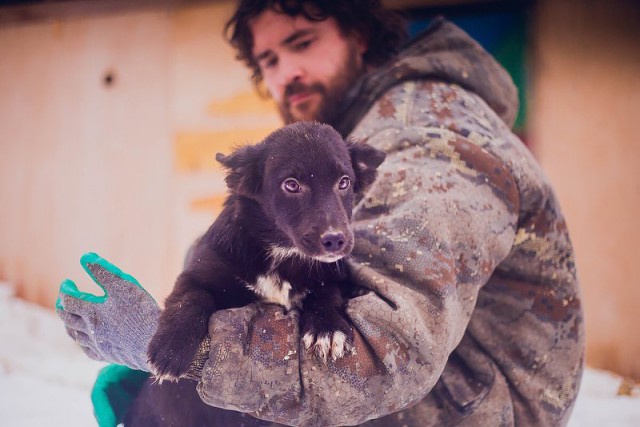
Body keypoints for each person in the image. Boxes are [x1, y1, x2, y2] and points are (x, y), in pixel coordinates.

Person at [56, 1, 585, 425]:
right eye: (269, 61)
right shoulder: (357, 131)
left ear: (358, 34)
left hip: (464, 407)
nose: (288, 74)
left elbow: (388, 351)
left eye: (301, 43)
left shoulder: (426, 136)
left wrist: (190, 359)